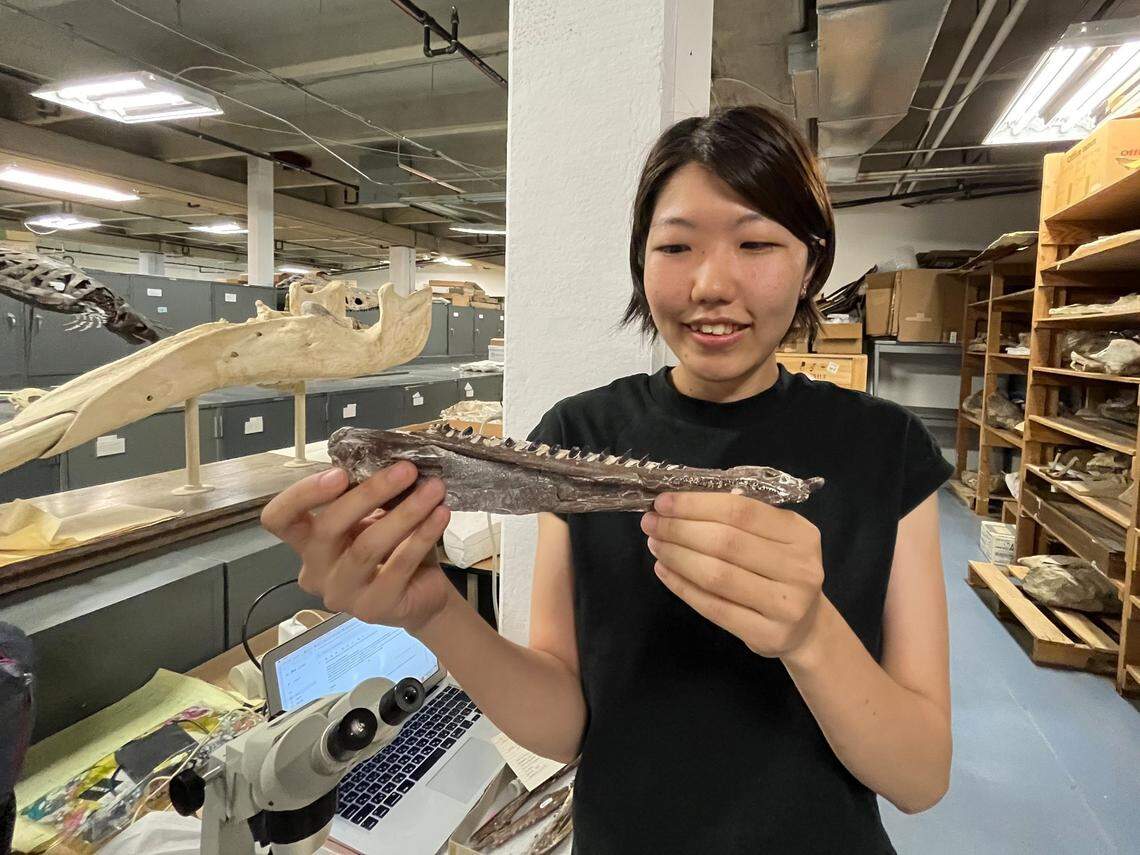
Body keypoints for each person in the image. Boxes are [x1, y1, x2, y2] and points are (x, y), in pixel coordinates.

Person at [261, 106, 953, 854]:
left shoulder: (887, 448)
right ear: (641, 260)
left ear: (811, 262)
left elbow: (920, 777)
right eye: (676, 246)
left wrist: (810, 633)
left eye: (755, 242)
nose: (712, 283)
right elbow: (566, 727)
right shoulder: (578, 435)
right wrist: (434, 611)